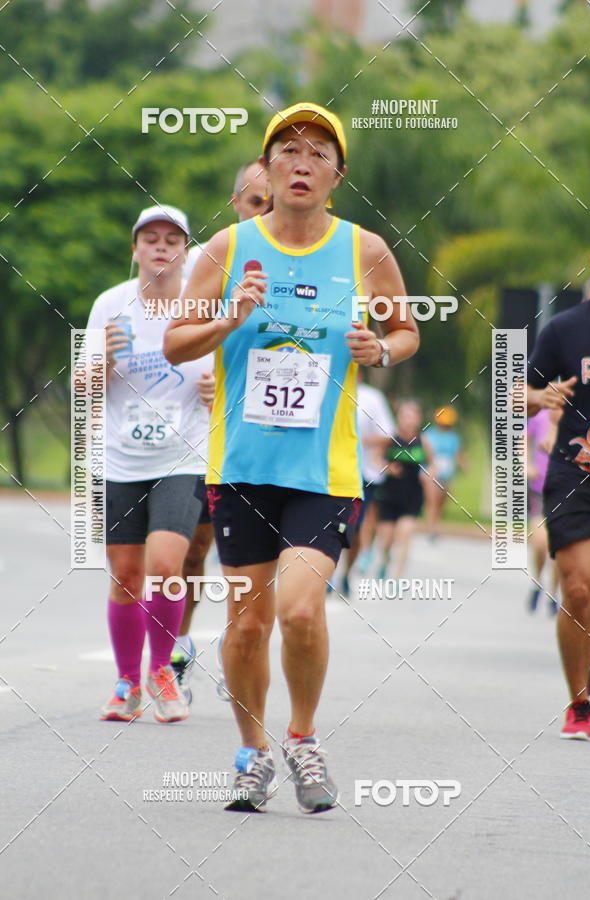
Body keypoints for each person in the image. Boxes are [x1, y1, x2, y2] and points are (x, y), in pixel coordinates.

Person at [164, 101, 419, 813]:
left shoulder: (364, 251)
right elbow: (175, 345)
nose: (302, 162)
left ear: (337, 175)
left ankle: (302, 738)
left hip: (324, 470)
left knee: (302, 612)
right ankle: (252, 752)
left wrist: (382, 349)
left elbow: (405, 334)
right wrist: (230, 318)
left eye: (317, 153)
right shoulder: (225, 248)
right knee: (248, 622)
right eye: (288, 151)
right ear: (267, 169)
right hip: (243, 466)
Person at [90, 204, 212, 723]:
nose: (161, 246)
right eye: (151, 238)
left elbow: (231, 378)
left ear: (185, 250)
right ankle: (125, 683)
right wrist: (108, 362)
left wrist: (216, 390)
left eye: (172, 239)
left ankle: (161, 671)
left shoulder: (202, 306)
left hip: (181, 457)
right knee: (125, 576)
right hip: (120, 460)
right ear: (135, 249)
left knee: (166, 567)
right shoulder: (111, 306)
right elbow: (83, 387)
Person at [171, 162, 272, 699]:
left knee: (244, 564)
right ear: (237, 204)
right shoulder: (216, 258)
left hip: (260, 443)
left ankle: (237, 644)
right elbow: (170, 342)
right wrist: (201, 381)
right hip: (194, 439)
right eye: (257, 203)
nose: (267, 213)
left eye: (273, 203)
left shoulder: (307, 258)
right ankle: (177, 649)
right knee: (188, 554)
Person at [527, 275, 590, 739]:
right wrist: (540, 396)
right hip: (577, 473)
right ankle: (579, 704)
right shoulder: (564, 329)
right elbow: (517, 393)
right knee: (578, 588)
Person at [337, 369, 395, 593]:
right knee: (329, 524)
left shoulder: (371, 398)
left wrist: (355, 439)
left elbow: (387, 434)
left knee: (354, 527)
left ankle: (346, 573)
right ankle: (328, 575)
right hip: (330, 471)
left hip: (363, 473)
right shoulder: (328, 389)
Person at [375, 400, 434, 578]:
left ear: (418, 419)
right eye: (404, 415)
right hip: (389, 494)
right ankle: (385, 560)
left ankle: (398, 577)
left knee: (405, 535)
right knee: (387, 538)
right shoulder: (390, 438)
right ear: (398, 418)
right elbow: (375, 457)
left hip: (412, 494)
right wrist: (388, 467)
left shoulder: (423, 441)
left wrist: (429, 473)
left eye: (412, 416)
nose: (408, 420)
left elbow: (433, 464)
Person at [526, 408, 558, 615]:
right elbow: (524, 440)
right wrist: (527, 463)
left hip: (566, 491)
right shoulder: (540, 416)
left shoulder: (578, 414)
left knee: (557, 547)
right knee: (539, 543)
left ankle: (553, 595)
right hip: (540, 488)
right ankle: (537, 582)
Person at [423, 407, 466, 541]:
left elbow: (458, 454)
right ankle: (431, 529)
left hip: (447, 474)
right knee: (432, 501)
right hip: (432, 473)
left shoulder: (453, 437)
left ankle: (436, 524)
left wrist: (464, 466)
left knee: (441, 502)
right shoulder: (429, 435)